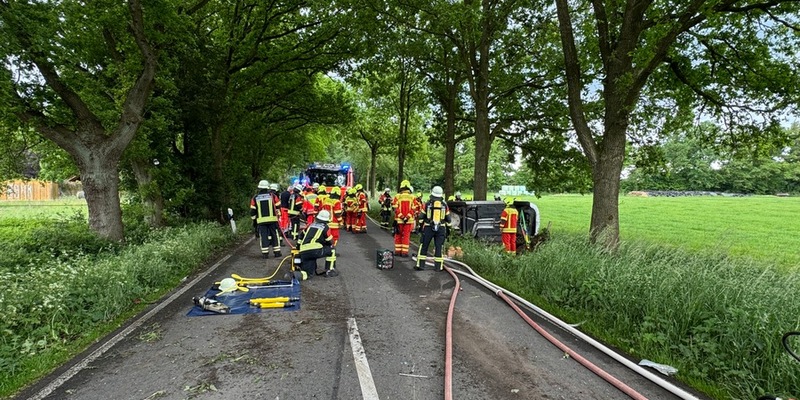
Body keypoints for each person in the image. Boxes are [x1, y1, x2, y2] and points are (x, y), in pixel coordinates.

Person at [294, 209, 338, 280]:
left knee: (308, 274)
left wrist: (298, 247)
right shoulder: (325, 227)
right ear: (327, 220)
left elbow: (301, 237)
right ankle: (330, 270)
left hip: (304, 252)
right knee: (332, 250)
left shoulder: (310, 226)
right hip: (315, 251)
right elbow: (331, 242)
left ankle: (294, 275)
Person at [415, 186, 451, 271]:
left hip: (428, 228)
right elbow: (448, 219)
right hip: (441, 228)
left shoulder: (427, 204)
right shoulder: (444, 205)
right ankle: (438, 267)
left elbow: (421, 217)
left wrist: (420, 227)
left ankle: (421, 265)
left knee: (424, 245)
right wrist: (448, 230)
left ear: (432, 193)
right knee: (439, 247)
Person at [251, 180, 281, 258]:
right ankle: (277, 252)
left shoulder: (255, 198)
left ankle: (265, 253)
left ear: (259, 187)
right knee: (274, 235)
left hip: (261, 221)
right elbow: (278, 207)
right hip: (273, 220)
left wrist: (254, 221)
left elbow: (253, 211)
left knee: (263, 236)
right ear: (268, 187)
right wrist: (278, 216)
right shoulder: (273, 196)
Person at [391, 180, 418, 257]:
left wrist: (401, 216)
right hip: (409, 221)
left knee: (398, 235)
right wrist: (407, 217)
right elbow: (413, 209)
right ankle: (404, 252)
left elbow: (395, 209)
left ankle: (398, 251)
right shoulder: (413, 197)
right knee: (406, 236)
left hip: (399, 220)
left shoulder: (397, 196)